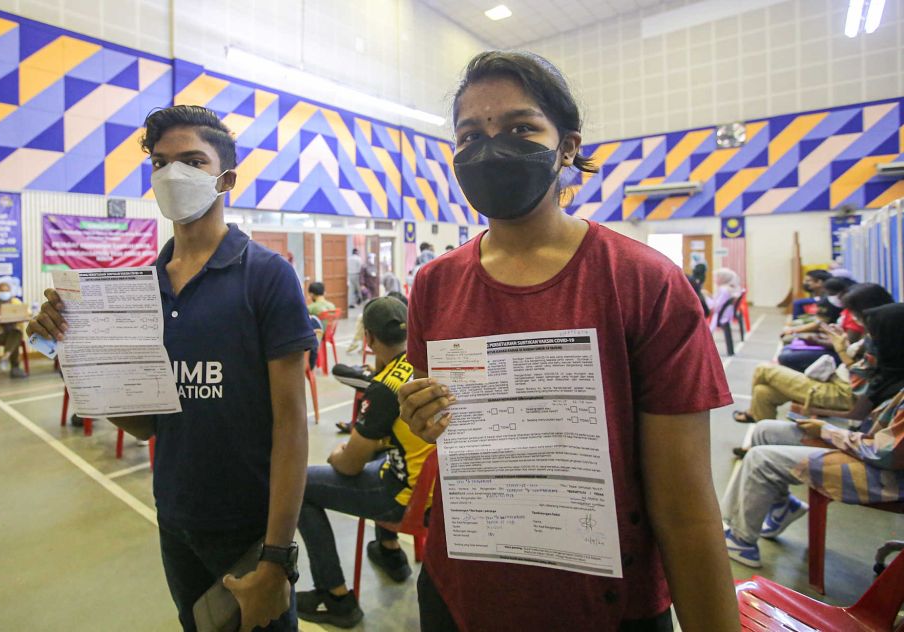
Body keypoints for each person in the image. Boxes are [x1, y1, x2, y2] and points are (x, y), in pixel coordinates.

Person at [397, 51, 740, 631]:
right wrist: (422, 416)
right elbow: (435, 424)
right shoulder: (435, 284)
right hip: (465, 590)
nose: (492, 147)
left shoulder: (644, 282)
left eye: (520, 128)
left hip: (606, 604)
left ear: (568, 147)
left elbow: (686, 512)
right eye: (470, 134)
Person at [27, 105, 315, 632]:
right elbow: (145, 424)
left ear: (225, 179)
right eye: (160, 163)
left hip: (249, 529)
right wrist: (78, 353)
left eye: (191, 161)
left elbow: (292, 426)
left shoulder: (268, 277)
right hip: (176, 519)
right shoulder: (142, 289)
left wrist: (277, 558)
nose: (171, 175)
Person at [722, 303, 904, 567]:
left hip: (885, 474)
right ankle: (783, 507)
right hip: (865, 446)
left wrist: (828, 431)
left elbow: (885, 453)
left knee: (761, 459)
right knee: (764, 431)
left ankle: (741, 539)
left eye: (874, 337)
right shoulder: (889, 372)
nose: (868, 342)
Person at [296, 297, 433, 628]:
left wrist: (336, 454)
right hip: (437, 498)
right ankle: (389, 551)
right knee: (385, 450)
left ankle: (336, 597)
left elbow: (349, 466)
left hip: (406, 500)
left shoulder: (385, 388)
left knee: (300, 486)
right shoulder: (427, 365)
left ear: (369, 339)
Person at [731, 282, 897, 425]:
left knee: (763, 369)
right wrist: (844, 344)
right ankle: (759, 442)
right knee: (762, 393)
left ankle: (753, 414)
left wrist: (840, 348)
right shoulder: (875, 333)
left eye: (854, 312)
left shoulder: (882, 340)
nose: (852, 316)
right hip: (836, 381)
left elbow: (861, 380)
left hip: (841, 392)